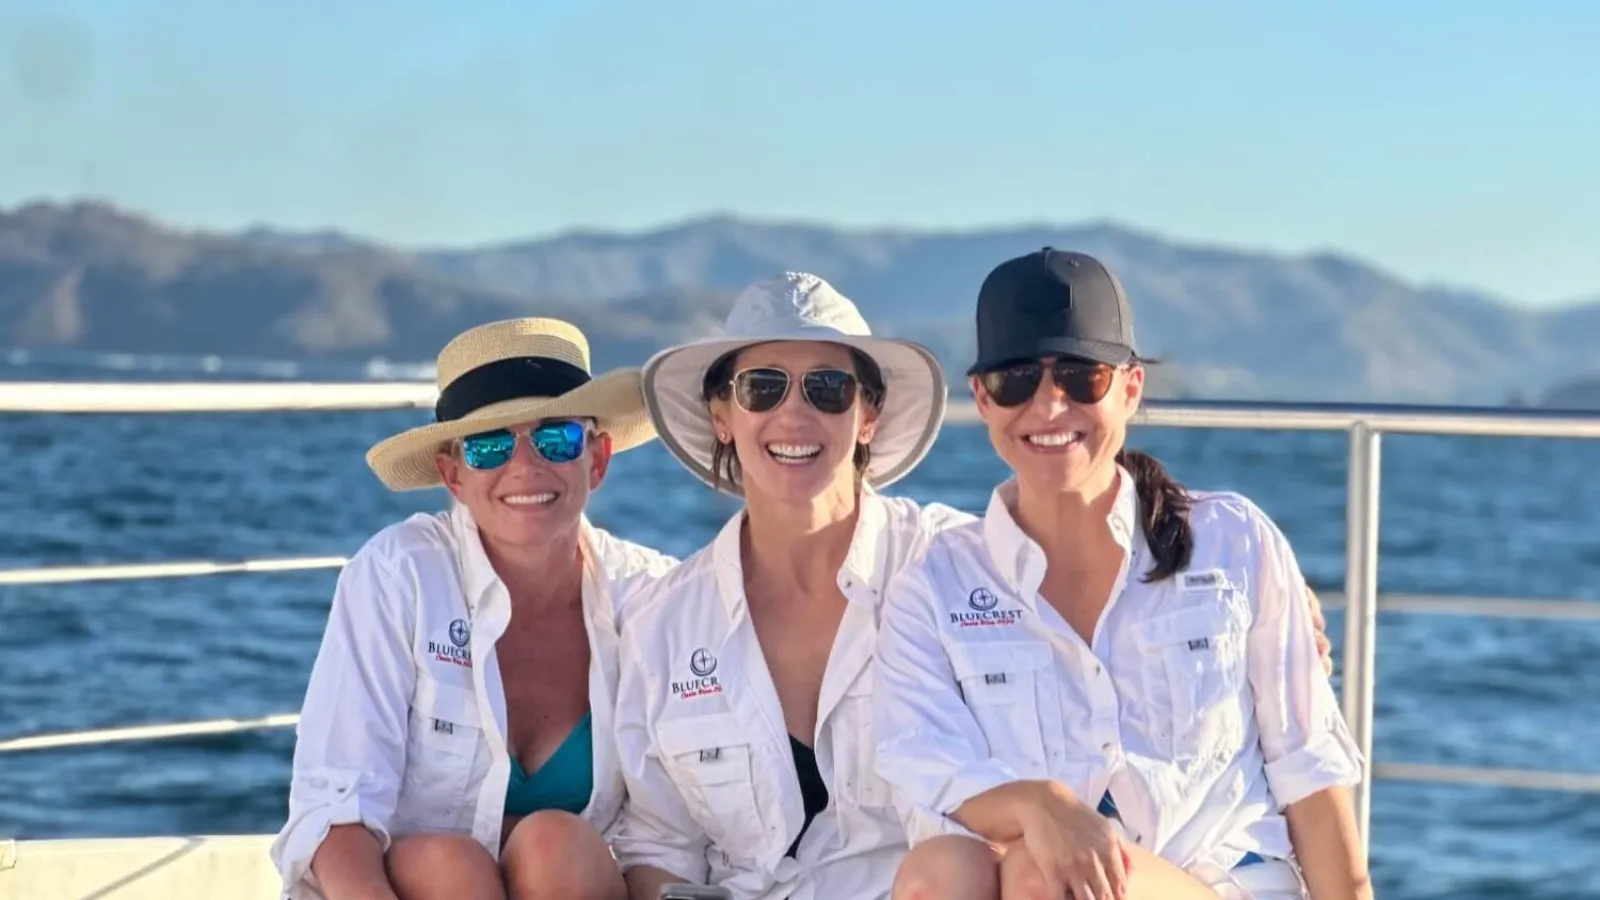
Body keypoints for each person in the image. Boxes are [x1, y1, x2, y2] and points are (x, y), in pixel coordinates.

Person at [874, 249, 1371, 900]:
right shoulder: (935, 585)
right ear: (983, 400)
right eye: (1017, 379)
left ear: (1131, 387)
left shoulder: (1231, 544)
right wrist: (1038, 804)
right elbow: (924, 763)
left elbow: (1309, 771)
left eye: (1082, 377)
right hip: (1051, 883)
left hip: (1224, 887)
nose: (1049, 406)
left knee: (1039, 875)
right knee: (940, 872)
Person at [269, 318, 677, 900]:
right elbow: (337, 808)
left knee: (556, 846)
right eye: (489, 446)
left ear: (599, 457)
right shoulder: (398, 574)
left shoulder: (652, 597)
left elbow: (666, 837)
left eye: (555, 437)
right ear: (453, 474)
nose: (525, 466)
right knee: (446, 866)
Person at [607, 272, 969, 900]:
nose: (794, 413)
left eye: (828, 389)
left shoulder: (952, 569)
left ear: (867, 416)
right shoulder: (661, 623)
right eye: (763, 388)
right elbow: (658, 844)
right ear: (723, 415)